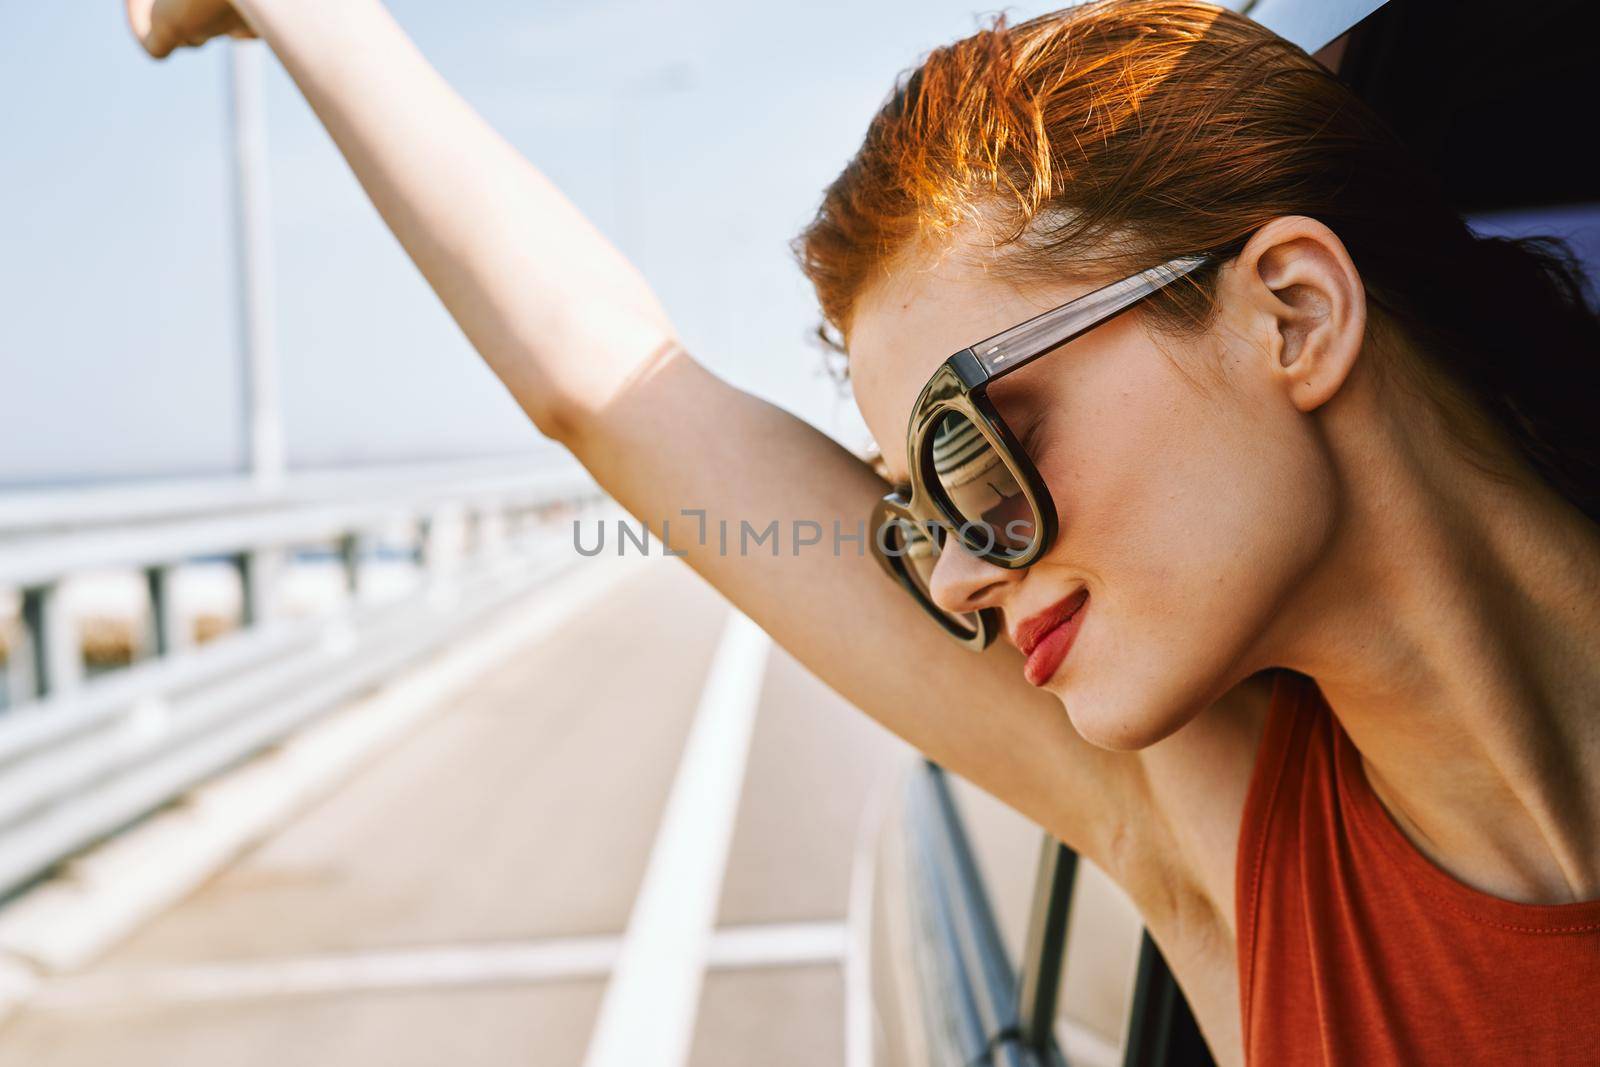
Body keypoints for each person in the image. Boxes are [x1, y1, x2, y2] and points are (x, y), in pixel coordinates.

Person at [124, 0, 1600, 1062]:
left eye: (968, 445)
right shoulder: (1234, 849)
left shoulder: (1239, 858)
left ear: (1292, 310)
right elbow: (612, 393)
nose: (959, 576)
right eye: (910, 514)